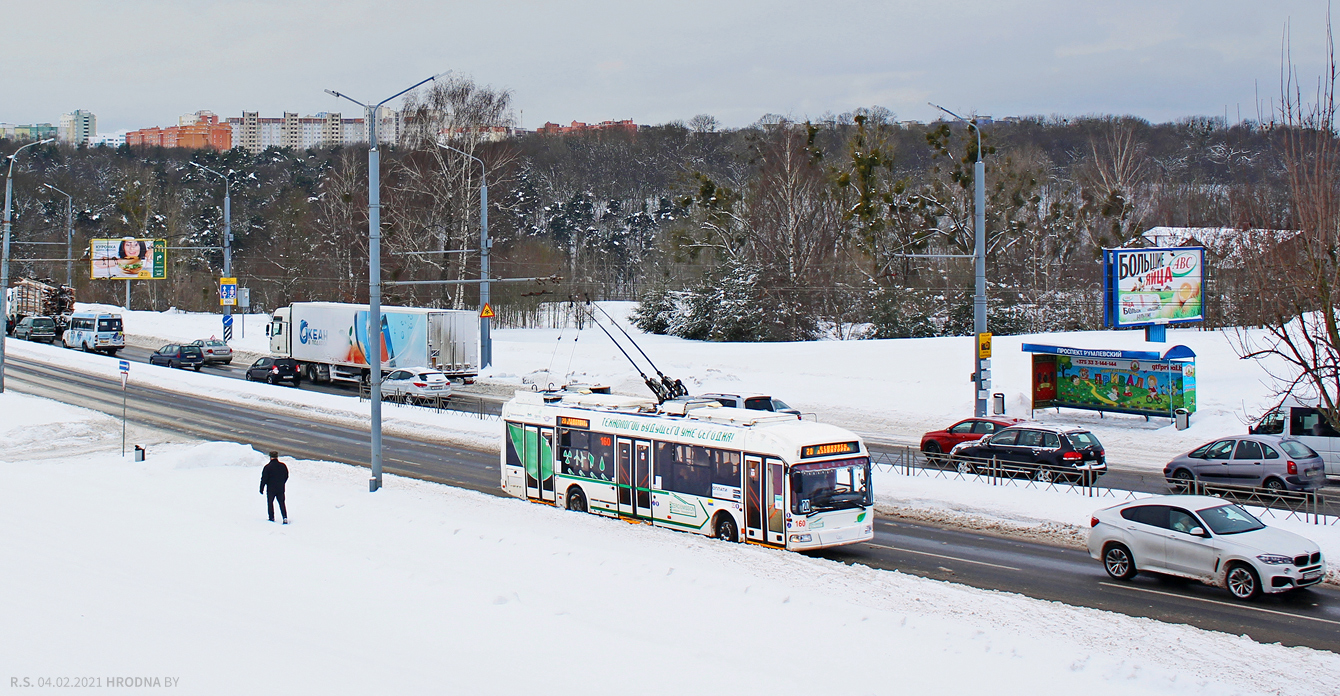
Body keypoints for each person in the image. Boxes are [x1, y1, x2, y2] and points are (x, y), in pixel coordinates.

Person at [260, 451, 289, 524]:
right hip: (280, 488)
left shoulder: (267, 467)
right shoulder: (283, 466)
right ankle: (284, 517)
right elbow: (286, 476)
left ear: (270, 457)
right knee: (282, 503)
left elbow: (264, 478)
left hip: (271, 489)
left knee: (270, 503)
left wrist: (262, 488)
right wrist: (282, 482)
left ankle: (271, 517)